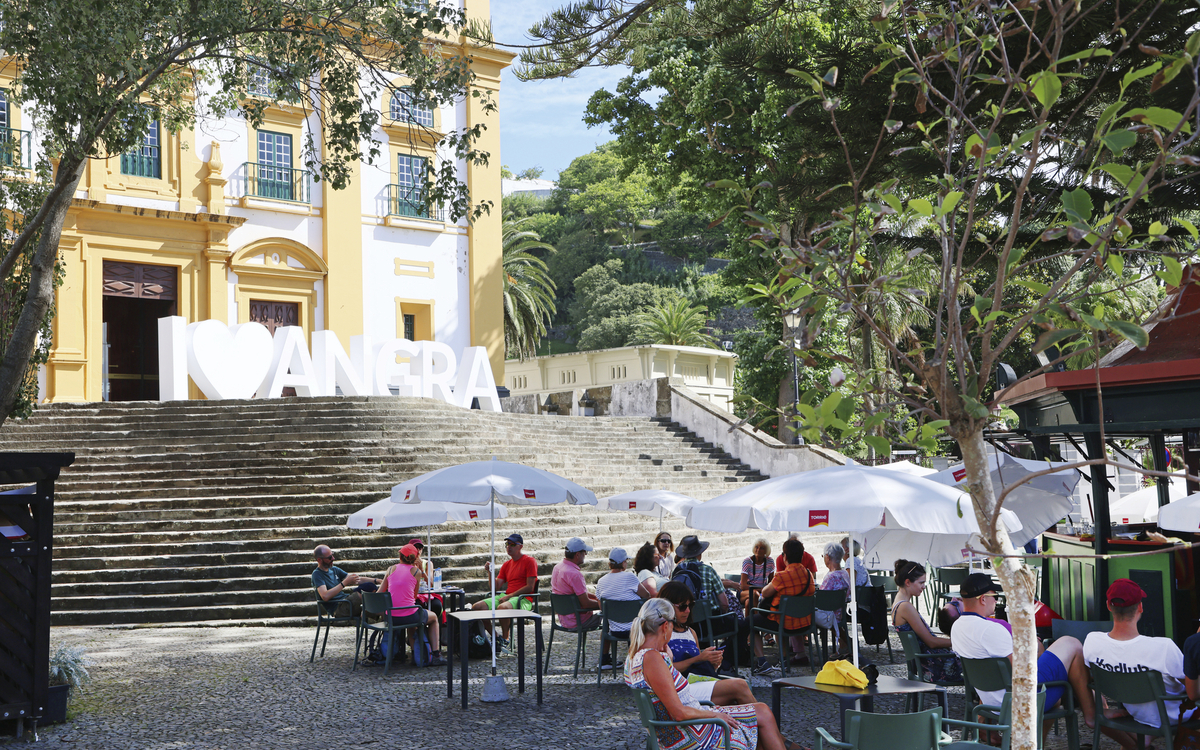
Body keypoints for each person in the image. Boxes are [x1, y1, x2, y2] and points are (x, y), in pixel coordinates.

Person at [624, 598, 803, 750]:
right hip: (690, 734)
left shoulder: (636, 656)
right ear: (665, 626)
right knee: (760, 718)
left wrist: (666, 654)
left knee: (761, 712)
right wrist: (714, 715)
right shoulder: (652, 659)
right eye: (672, 625)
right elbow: (678, 713)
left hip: (685, 727)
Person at [950, 572, 1096, 730]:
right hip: (1018, 702)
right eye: (995, 596)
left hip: (991, 703)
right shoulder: (992, 629)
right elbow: (1023, 672)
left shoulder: (956, 628)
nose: (997, 601)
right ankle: (1091, 714)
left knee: (1057, 696)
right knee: (1071, 643)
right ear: (983, 599)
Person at [1085, 579, 1194, 748]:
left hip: (1135, 713)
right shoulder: (1163, 647)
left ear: (1108, 605)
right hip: (1173, 716)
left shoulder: (1093, 641)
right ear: (1140, 607)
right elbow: (1191, 686)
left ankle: (1144, 739)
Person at [658, 581, 759, 707]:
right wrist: (698, 658)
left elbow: (699, 667)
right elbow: (665, 670)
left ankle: (757, 723)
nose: (688, 611)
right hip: (681, 688)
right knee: (740, 686)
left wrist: (713, 662)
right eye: (683, 607)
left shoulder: (691, 632)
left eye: (691, 605)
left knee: (739, 696)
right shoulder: (661, 634)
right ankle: (761, 721)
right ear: (667, 606)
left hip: (699, 683)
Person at [752, 537, 816, 676]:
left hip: (784, 623)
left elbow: (765, 592)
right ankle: (785, 660)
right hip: (804, 623)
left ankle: (762, 662)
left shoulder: (782, 576)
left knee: (751, 621)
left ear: (785, 557)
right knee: (781, 614)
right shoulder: (808, 574)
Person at [891, 559, 962, 683]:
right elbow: (931, 642)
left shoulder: (899, 603)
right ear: (908, 582)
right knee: (979, 660)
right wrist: (960, 642)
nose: (924, 586)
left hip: (929, 662)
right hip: (936, 666)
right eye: (921, 583)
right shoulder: (905, 607)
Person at [379, 544, 445, 666]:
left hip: (391, 617)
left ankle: (416, 653)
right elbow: (413, 598)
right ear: (415, 559)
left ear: (400, 556)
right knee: (434, 617)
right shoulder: (417, 572)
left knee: (412, 619)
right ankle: (435, 653)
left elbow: (379, 593)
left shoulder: (390, 569)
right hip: (409, 615)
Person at [470, 532, 538, 648]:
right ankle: (497, 637)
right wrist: (490, 572)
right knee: (477, 607)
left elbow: (530, 587)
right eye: (507, 544)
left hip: (524, 599)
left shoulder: (529, 561)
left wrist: (509, 596)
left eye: (512, 544)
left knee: (502, 608)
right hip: (508, 596)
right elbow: (495, 588)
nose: (508, 547)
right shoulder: (506, 565)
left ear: (520, 546)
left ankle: (506, 639)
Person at [311, 544, 381, 618]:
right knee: (367, 595)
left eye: (332, 555)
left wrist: (377, 580)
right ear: (319, 560)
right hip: (339, 607)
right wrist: (344, 583)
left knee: (370, 587)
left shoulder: (334, 569)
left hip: (347, 601)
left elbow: (357, 579)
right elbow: (325, 596)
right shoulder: (317, 574)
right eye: (329, 557)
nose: (333, 558)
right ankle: (370, 613)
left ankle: (375, 614)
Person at [551, 537, 601, 630]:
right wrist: (604, 605)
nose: (585, 554)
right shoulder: (575, 575)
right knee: (608, 613)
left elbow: (577, 593)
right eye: (585, 552)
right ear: (577, 554)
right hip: (579, 621)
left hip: (564, 619)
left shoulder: (557, 567)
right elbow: (586, 604)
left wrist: (595, 597)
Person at [815, 542, 851, 657]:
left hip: (829, 616)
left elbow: (820, 598)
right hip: (841, 612)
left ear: (828, 557)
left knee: (805, 612)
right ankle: (845, 645)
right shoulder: (845, 573)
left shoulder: (830, 577)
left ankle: (800, 650)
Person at [408, 538, 444, 624]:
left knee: (437, 606)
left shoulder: (427, 563)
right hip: (412, 595)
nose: (418, 550)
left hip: (426, 594)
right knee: (415, 606)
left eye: (420, 548)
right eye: (415, 547)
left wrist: (422, 570)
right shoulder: (407, 564)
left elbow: (430, 584)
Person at [740, 539, 774, 616]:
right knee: (754, 594)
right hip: (745, 592)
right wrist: (760, 589)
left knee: (748, 602)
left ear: (766, 550)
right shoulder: (747, 562)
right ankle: (757, 620)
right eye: (756, 547)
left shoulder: (770, 562)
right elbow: (743, 586)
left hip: (761, 592)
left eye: (761, 548)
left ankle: (748, 625)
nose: (758, 550)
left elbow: (771, 582)